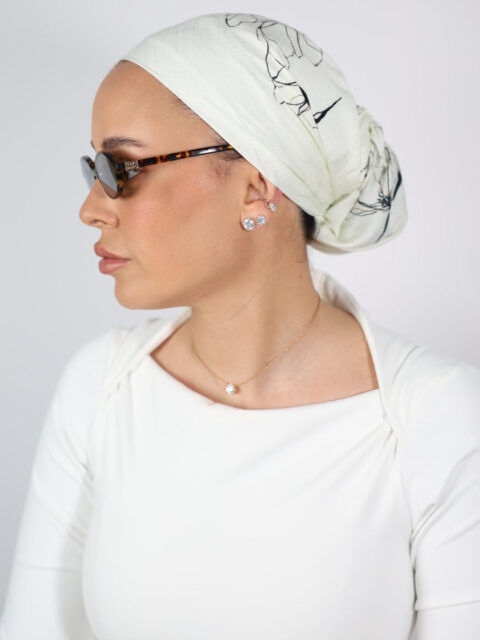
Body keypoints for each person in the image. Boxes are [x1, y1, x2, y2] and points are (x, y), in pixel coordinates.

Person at [1, 12, 479, 640]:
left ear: (256, 187)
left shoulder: (435, 418)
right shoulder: (100, 389)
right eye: (94, 171)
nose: (92, 208)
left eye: (124, 169)